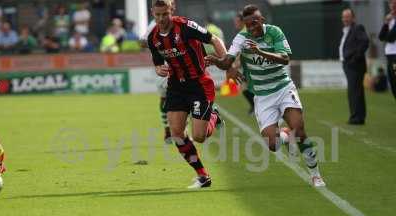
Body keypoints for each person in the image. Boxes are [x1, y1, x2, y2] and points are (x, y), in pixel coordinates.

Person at [206, 4, 325, 187]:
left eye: (254, 23)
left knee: (299, 129)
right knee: (273, 145)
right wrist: (216, 61)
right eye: (248, 25)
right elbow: (228, 61)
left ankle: (316, 175)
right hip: (262, 95)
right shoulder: (241, 38)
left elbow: (285, 58)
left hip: (283, 88)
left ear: (261, 20)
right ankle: (286, 136)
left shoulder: (274, 32)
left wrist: (260, 51)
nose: (252, 28)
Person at [147, 0, 227, 189]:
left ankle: (213, 115)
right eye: (157, 15)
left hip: (198, 84)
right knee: (176, 133)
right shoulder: (153, 37)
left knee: (199, 136)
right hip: (176, 86)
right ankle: (202, 176)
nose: (161, 19)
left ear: (171, 10)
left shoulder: (185, 26)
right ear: (152, 13)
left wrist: (226, 61)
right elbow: (158, 62)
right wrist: (159, 69)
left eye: (164, 14)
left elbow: (214, 39)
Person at [140, 0, 178, 145]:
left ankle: (181, 130)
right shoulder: (154, 24)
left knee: (184, 96)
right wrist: (157, 44)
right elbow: (142, 41)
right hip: (163, 66)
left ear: (172, 7)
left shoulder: (180, 23)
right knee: (164, 98)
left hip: (180, 65)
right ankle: (167, 129)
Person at [339, 8, 369, 125]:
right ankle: (358, 117)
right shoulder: (346, 30)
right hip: (349, 65)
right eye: (344, 17)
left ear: (353, 18)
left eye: (347, 16)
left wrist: (355, 58)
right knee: (356, 91)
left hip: (355, 65)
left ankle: (356, 117)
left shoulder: (357, 28)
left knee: (354, 91)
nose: (345, 19)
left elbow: (365, 42)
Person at [379, 0, 396, 100]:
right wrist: (386, 23)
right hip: (390, 56)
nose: (393, 6)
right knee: (393, 85)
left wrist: (388, 25)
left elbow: (390, 37)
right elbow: (381, 37)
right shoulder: (390, 19)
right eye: (391, 4)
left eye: (395, 4)